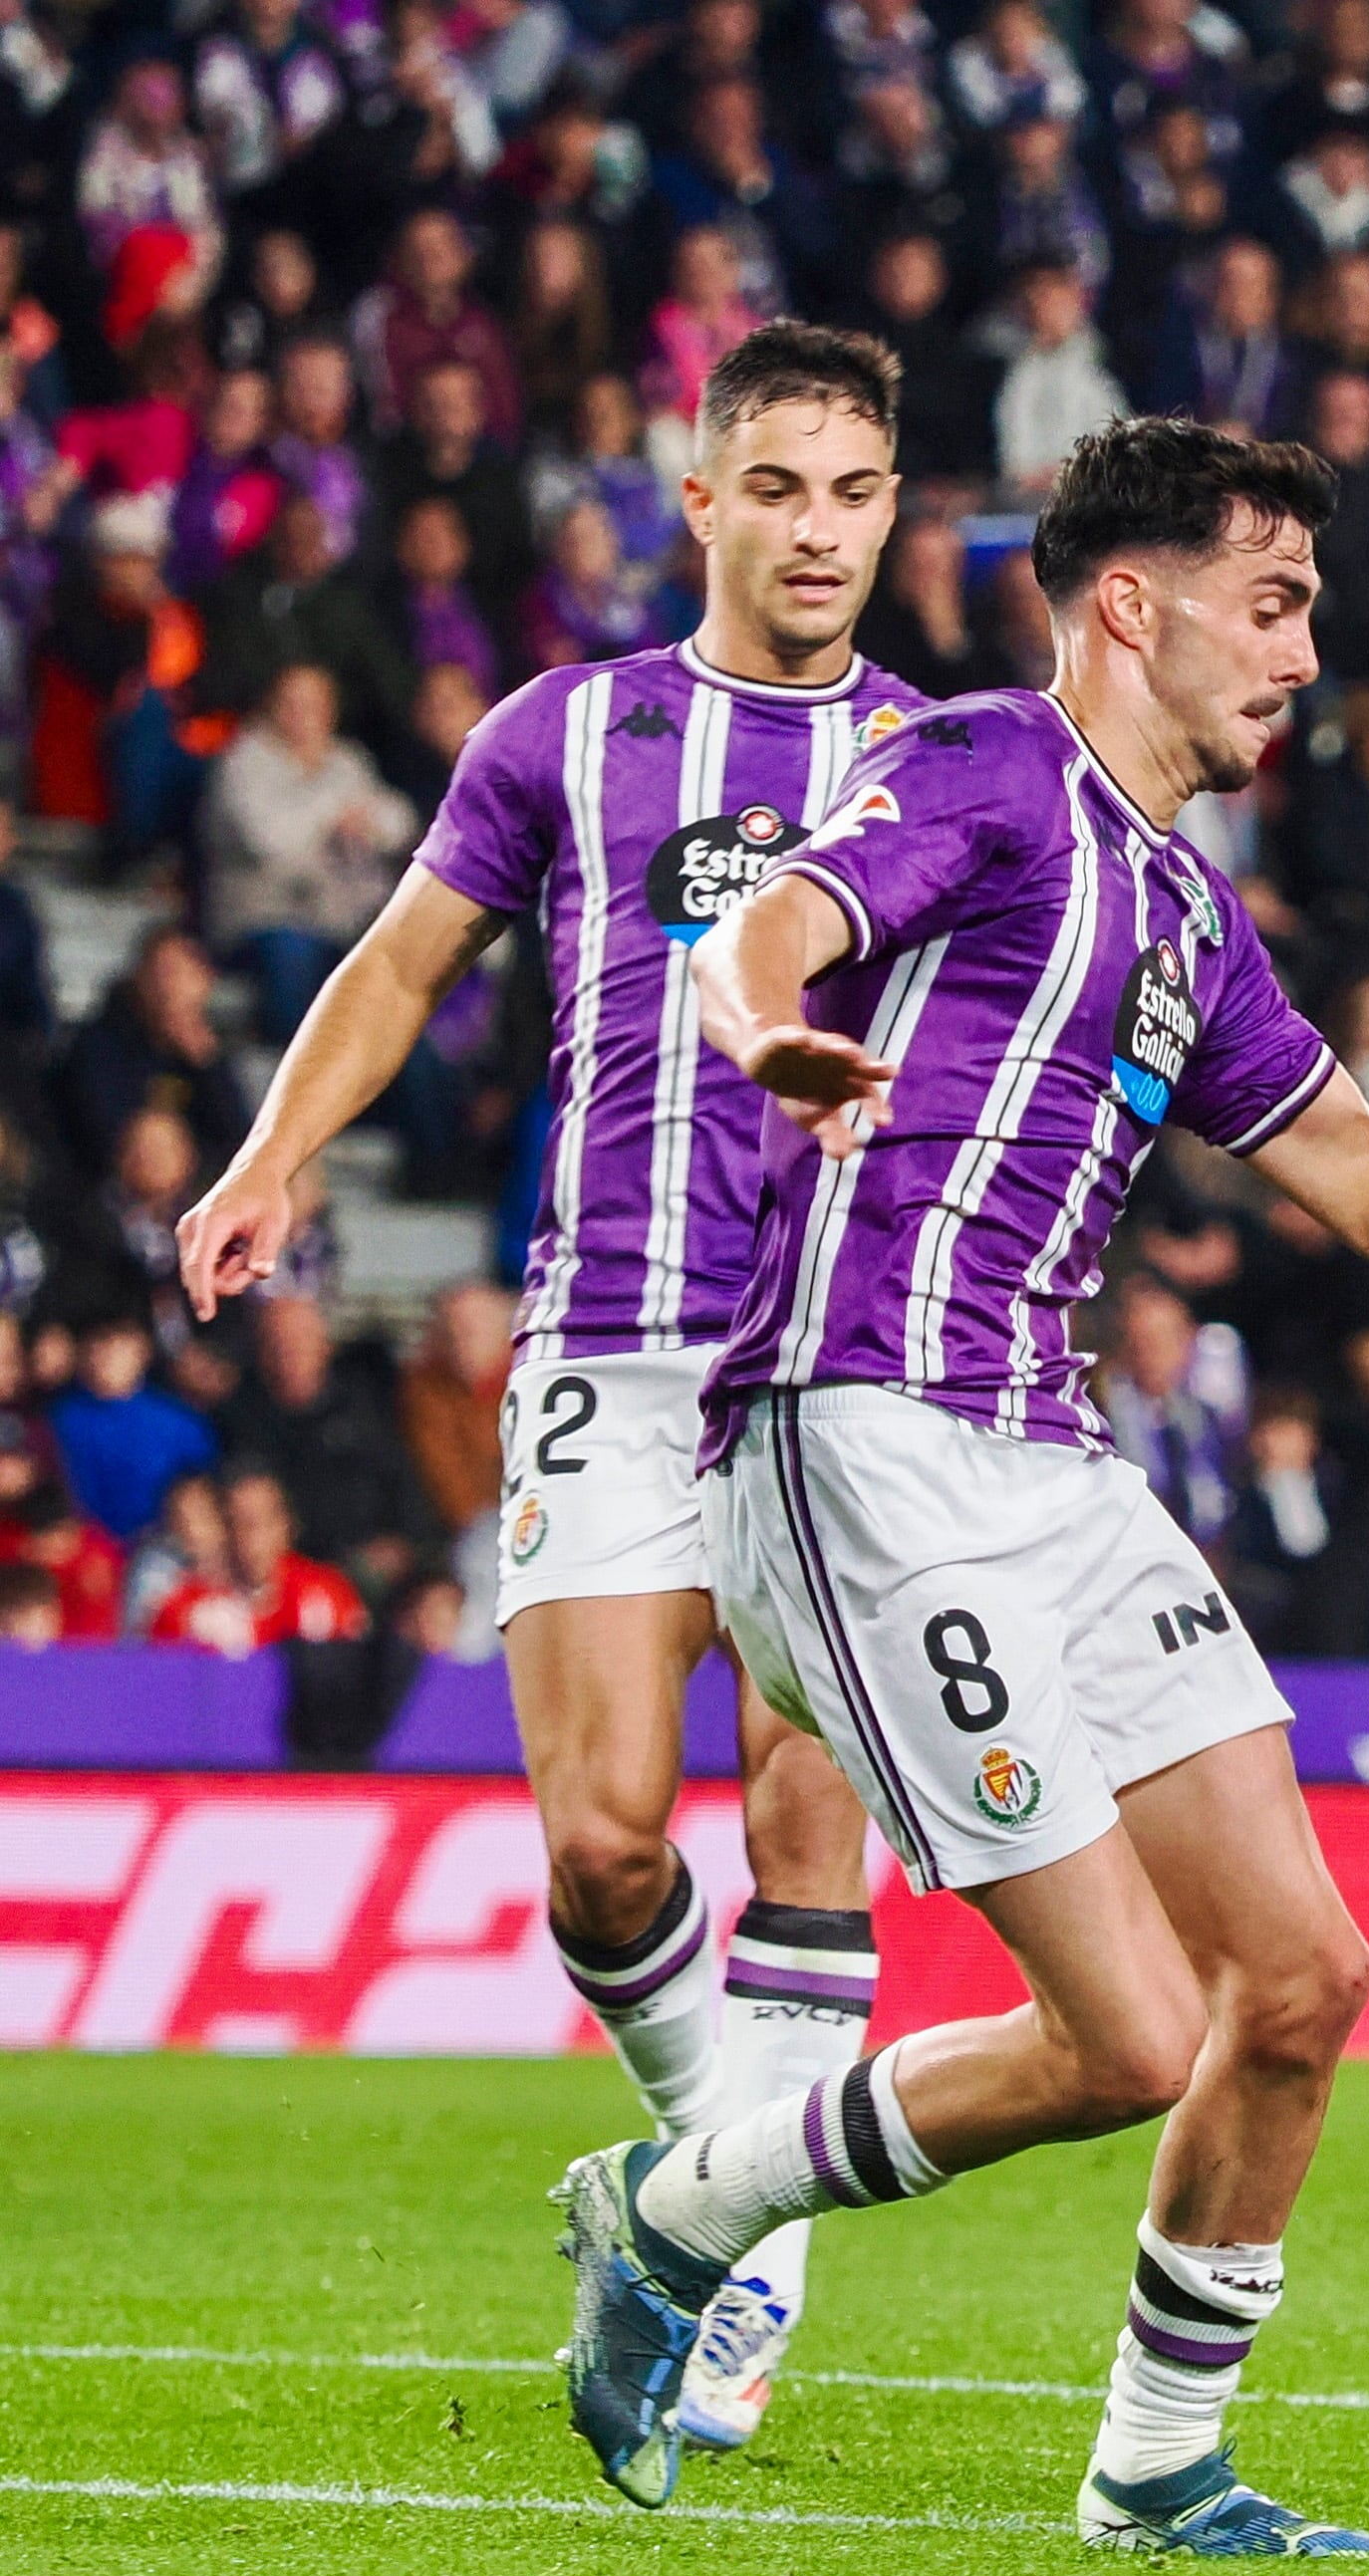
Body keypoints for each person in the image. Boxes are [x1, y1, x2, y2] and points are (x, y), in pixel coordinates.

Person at [549, 416, 1369, 2551]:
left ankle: (1161, 2467)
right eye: (1271, 604)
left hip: (1053, 1464)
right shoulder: (986, 768)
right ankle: (675, 2203)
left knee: (1305, 1979)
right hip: (858, 1431)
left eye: (1313, 614)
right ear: (1129, 607)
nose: (1303, 653)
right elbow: (760, 932)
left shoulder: (1186, 912)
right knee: (1128, 2032)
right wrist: (775, 1031)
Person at [172, 326, 914, 2457]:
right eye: (776, 485)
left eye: (853, 491)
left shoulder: (942, 757)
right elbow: (401, 961)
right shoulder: (569, 736)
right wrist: (270, 1155)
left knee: (804, 1809)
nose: (815, 529)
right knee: (599, 1851)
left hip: (841, 1355)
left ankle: (740, 2269)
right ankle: (704, 2178)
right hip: (608, 1332)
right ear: (701, 498)